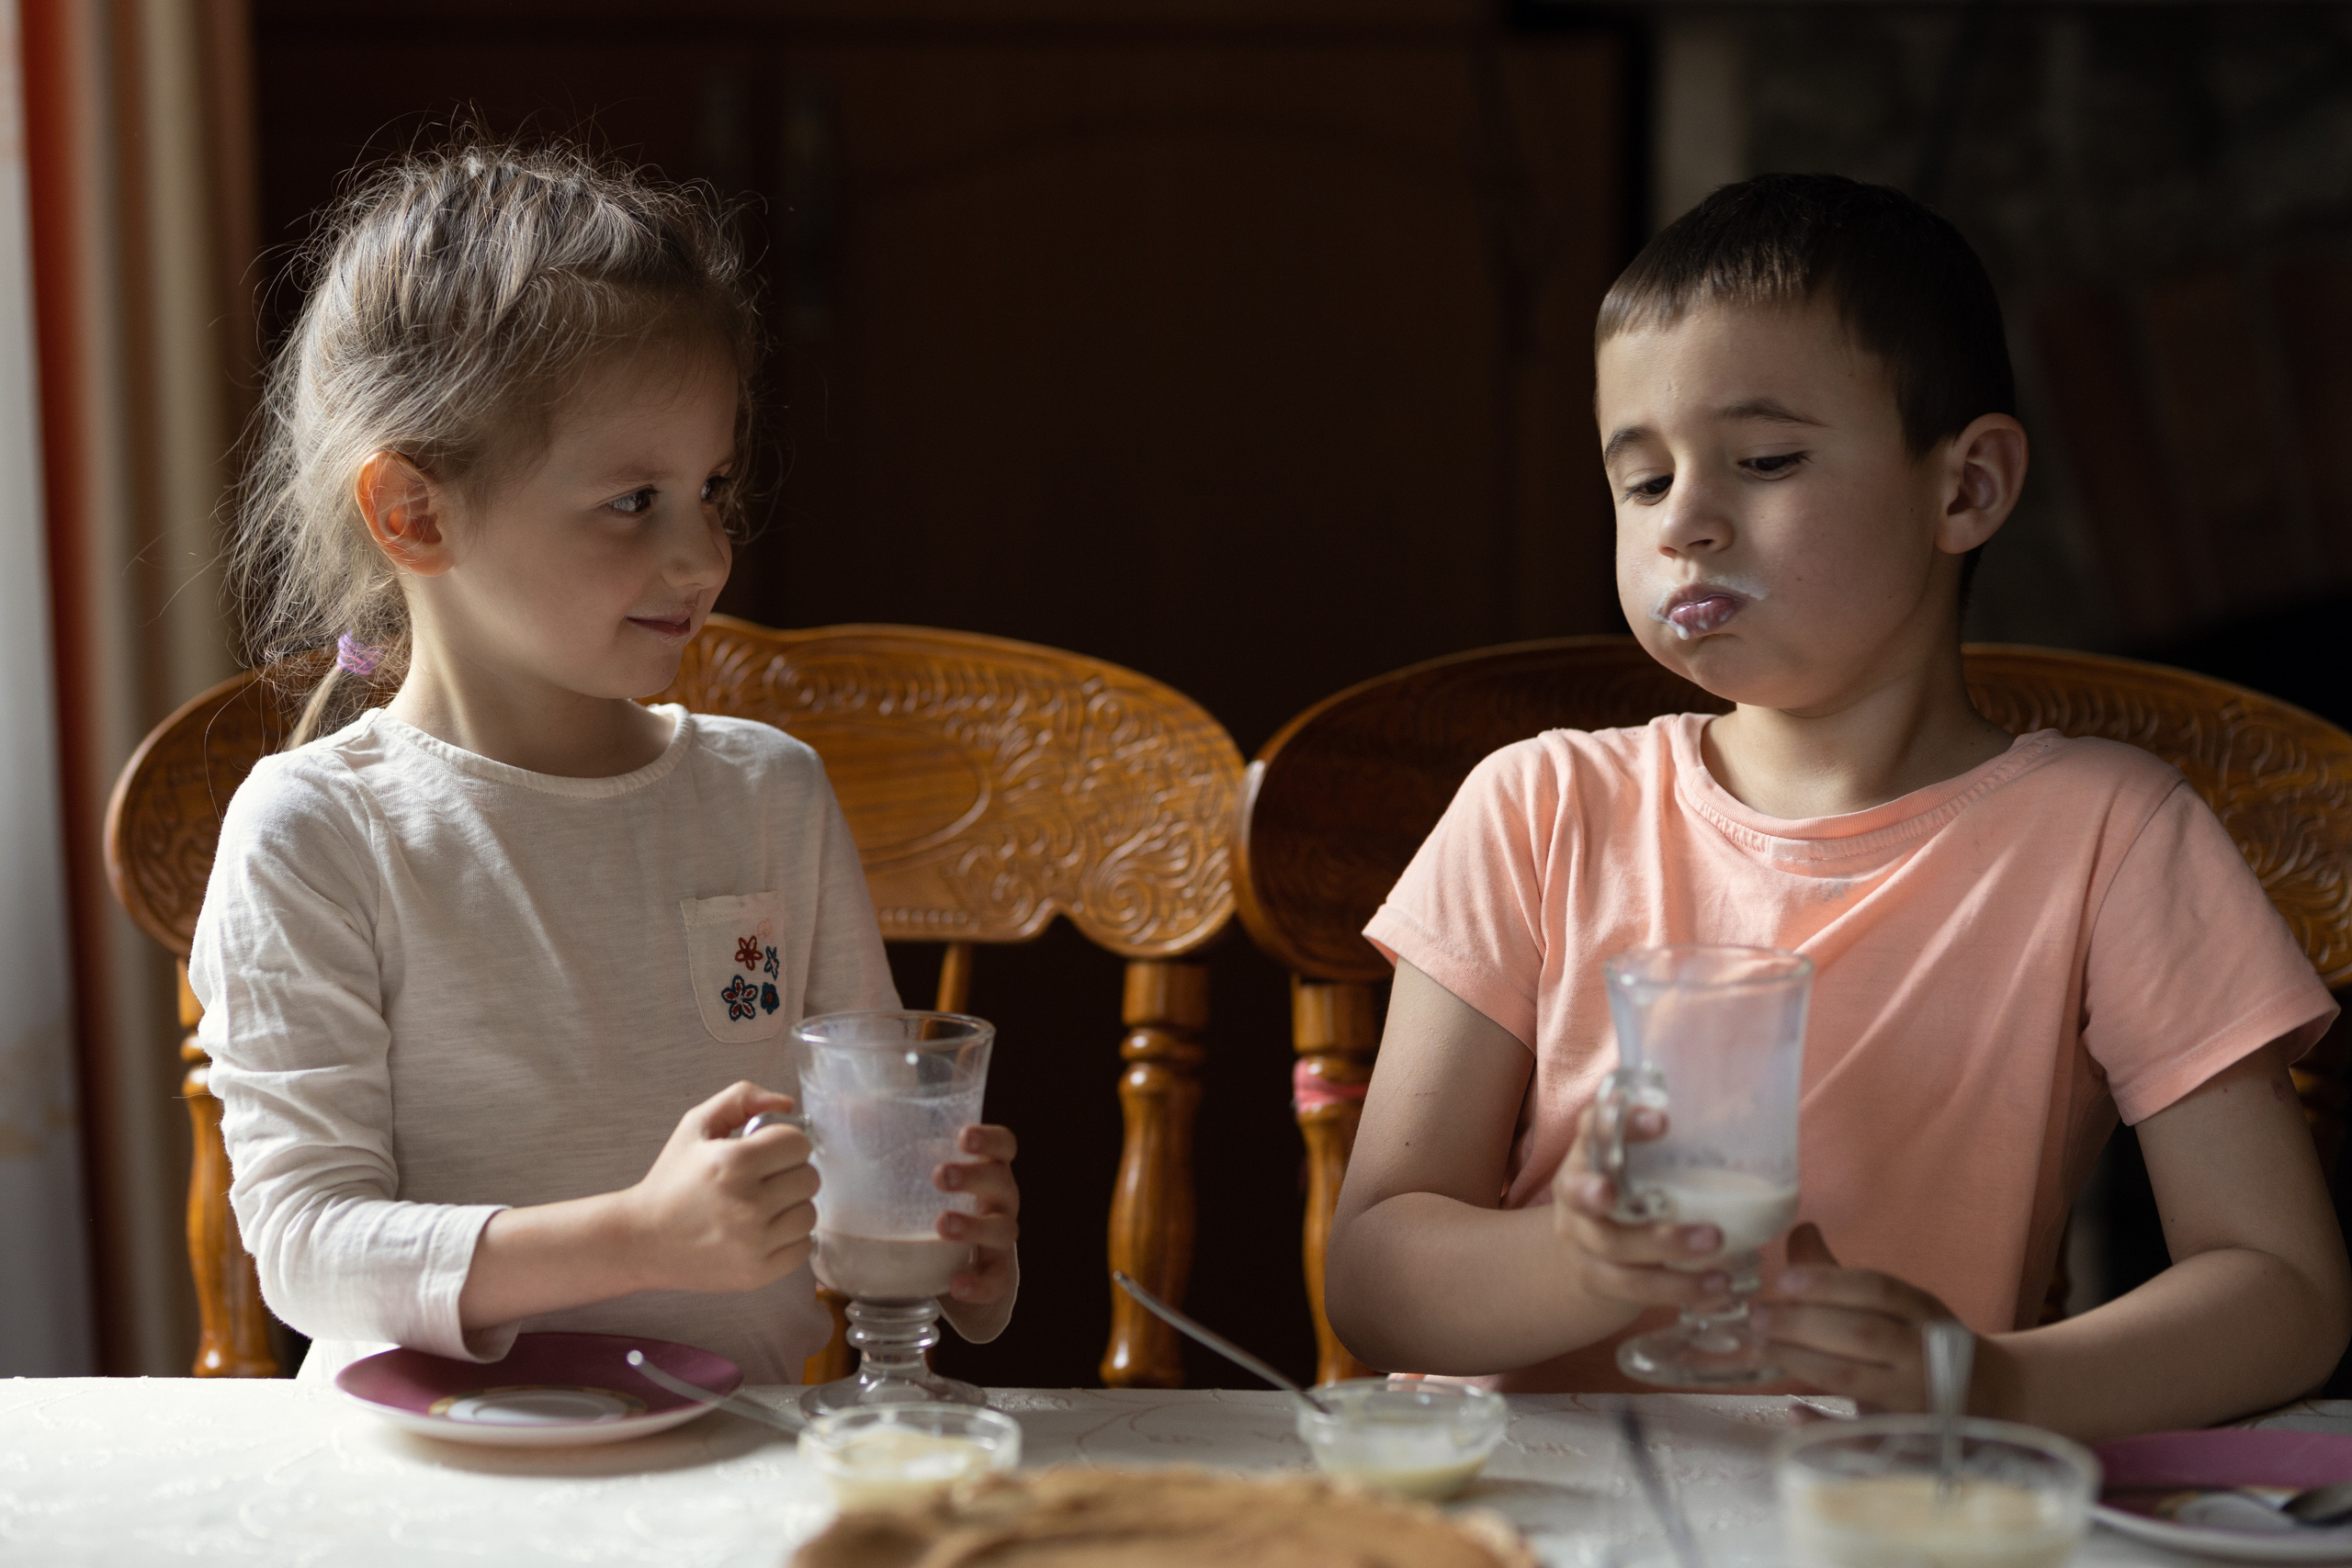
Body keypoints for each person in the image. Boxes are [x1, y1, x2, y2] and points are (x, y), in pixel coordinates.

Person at [1323, 173, 2348, 1440]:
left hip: (1886, 1515)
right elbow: (1373, 1275)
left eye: (1764, 461)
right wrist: (1579, 1263)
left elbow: (2286, 1291)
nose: (1686, 523)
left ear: (1966, 489)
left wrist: (1991, 1383)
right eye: (1642, 484)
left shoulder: (2109, 839)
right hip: (1544, 1517)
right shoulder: (1539, 810)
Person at [191, 139, 1020, 1387]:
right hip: (431, 1492)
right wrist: (637, 1236)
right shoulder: (317, 832)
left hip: (739, 1467)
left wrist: (955, 1249)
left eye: (712, 487)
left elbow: (862, 1179)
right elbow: (307, 1246)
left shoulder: (767, 797)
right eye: (634, 502)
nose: (704, 558)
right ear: (415, 512)